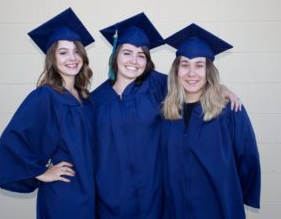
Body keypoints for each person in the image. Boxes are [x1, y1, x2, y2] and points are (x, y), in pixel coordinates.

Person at [91, 13, 241, 219]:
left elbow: (191, 82)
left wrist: (221, 88)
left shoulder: (157, 86)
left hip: (156, 198)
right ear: (115, 55)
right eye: (127, 53)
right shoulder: (94, 101)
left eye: (141, 55)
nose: (134, 61)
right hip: (112, 199)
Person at [0, 8, 96, 219]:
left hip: (91, 190)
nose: (72, 57)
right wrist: (42, 173)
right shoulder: (45, 96)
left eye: (76, 51)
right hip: (66, 193)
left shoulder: (86, 99)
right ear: (53, 58)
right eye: (63, 52)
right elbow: (12, 139)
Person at [162, 23, 261, 219]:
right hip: (177, 209)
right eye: (185, 65)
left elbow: (248, 159)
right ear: (176, 71)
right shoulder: (167, 113)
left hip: (219, 207)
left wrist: (232, 196)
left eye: (199, 65)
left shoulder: (230, 112)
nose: (191, 73)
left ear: (209, 71)